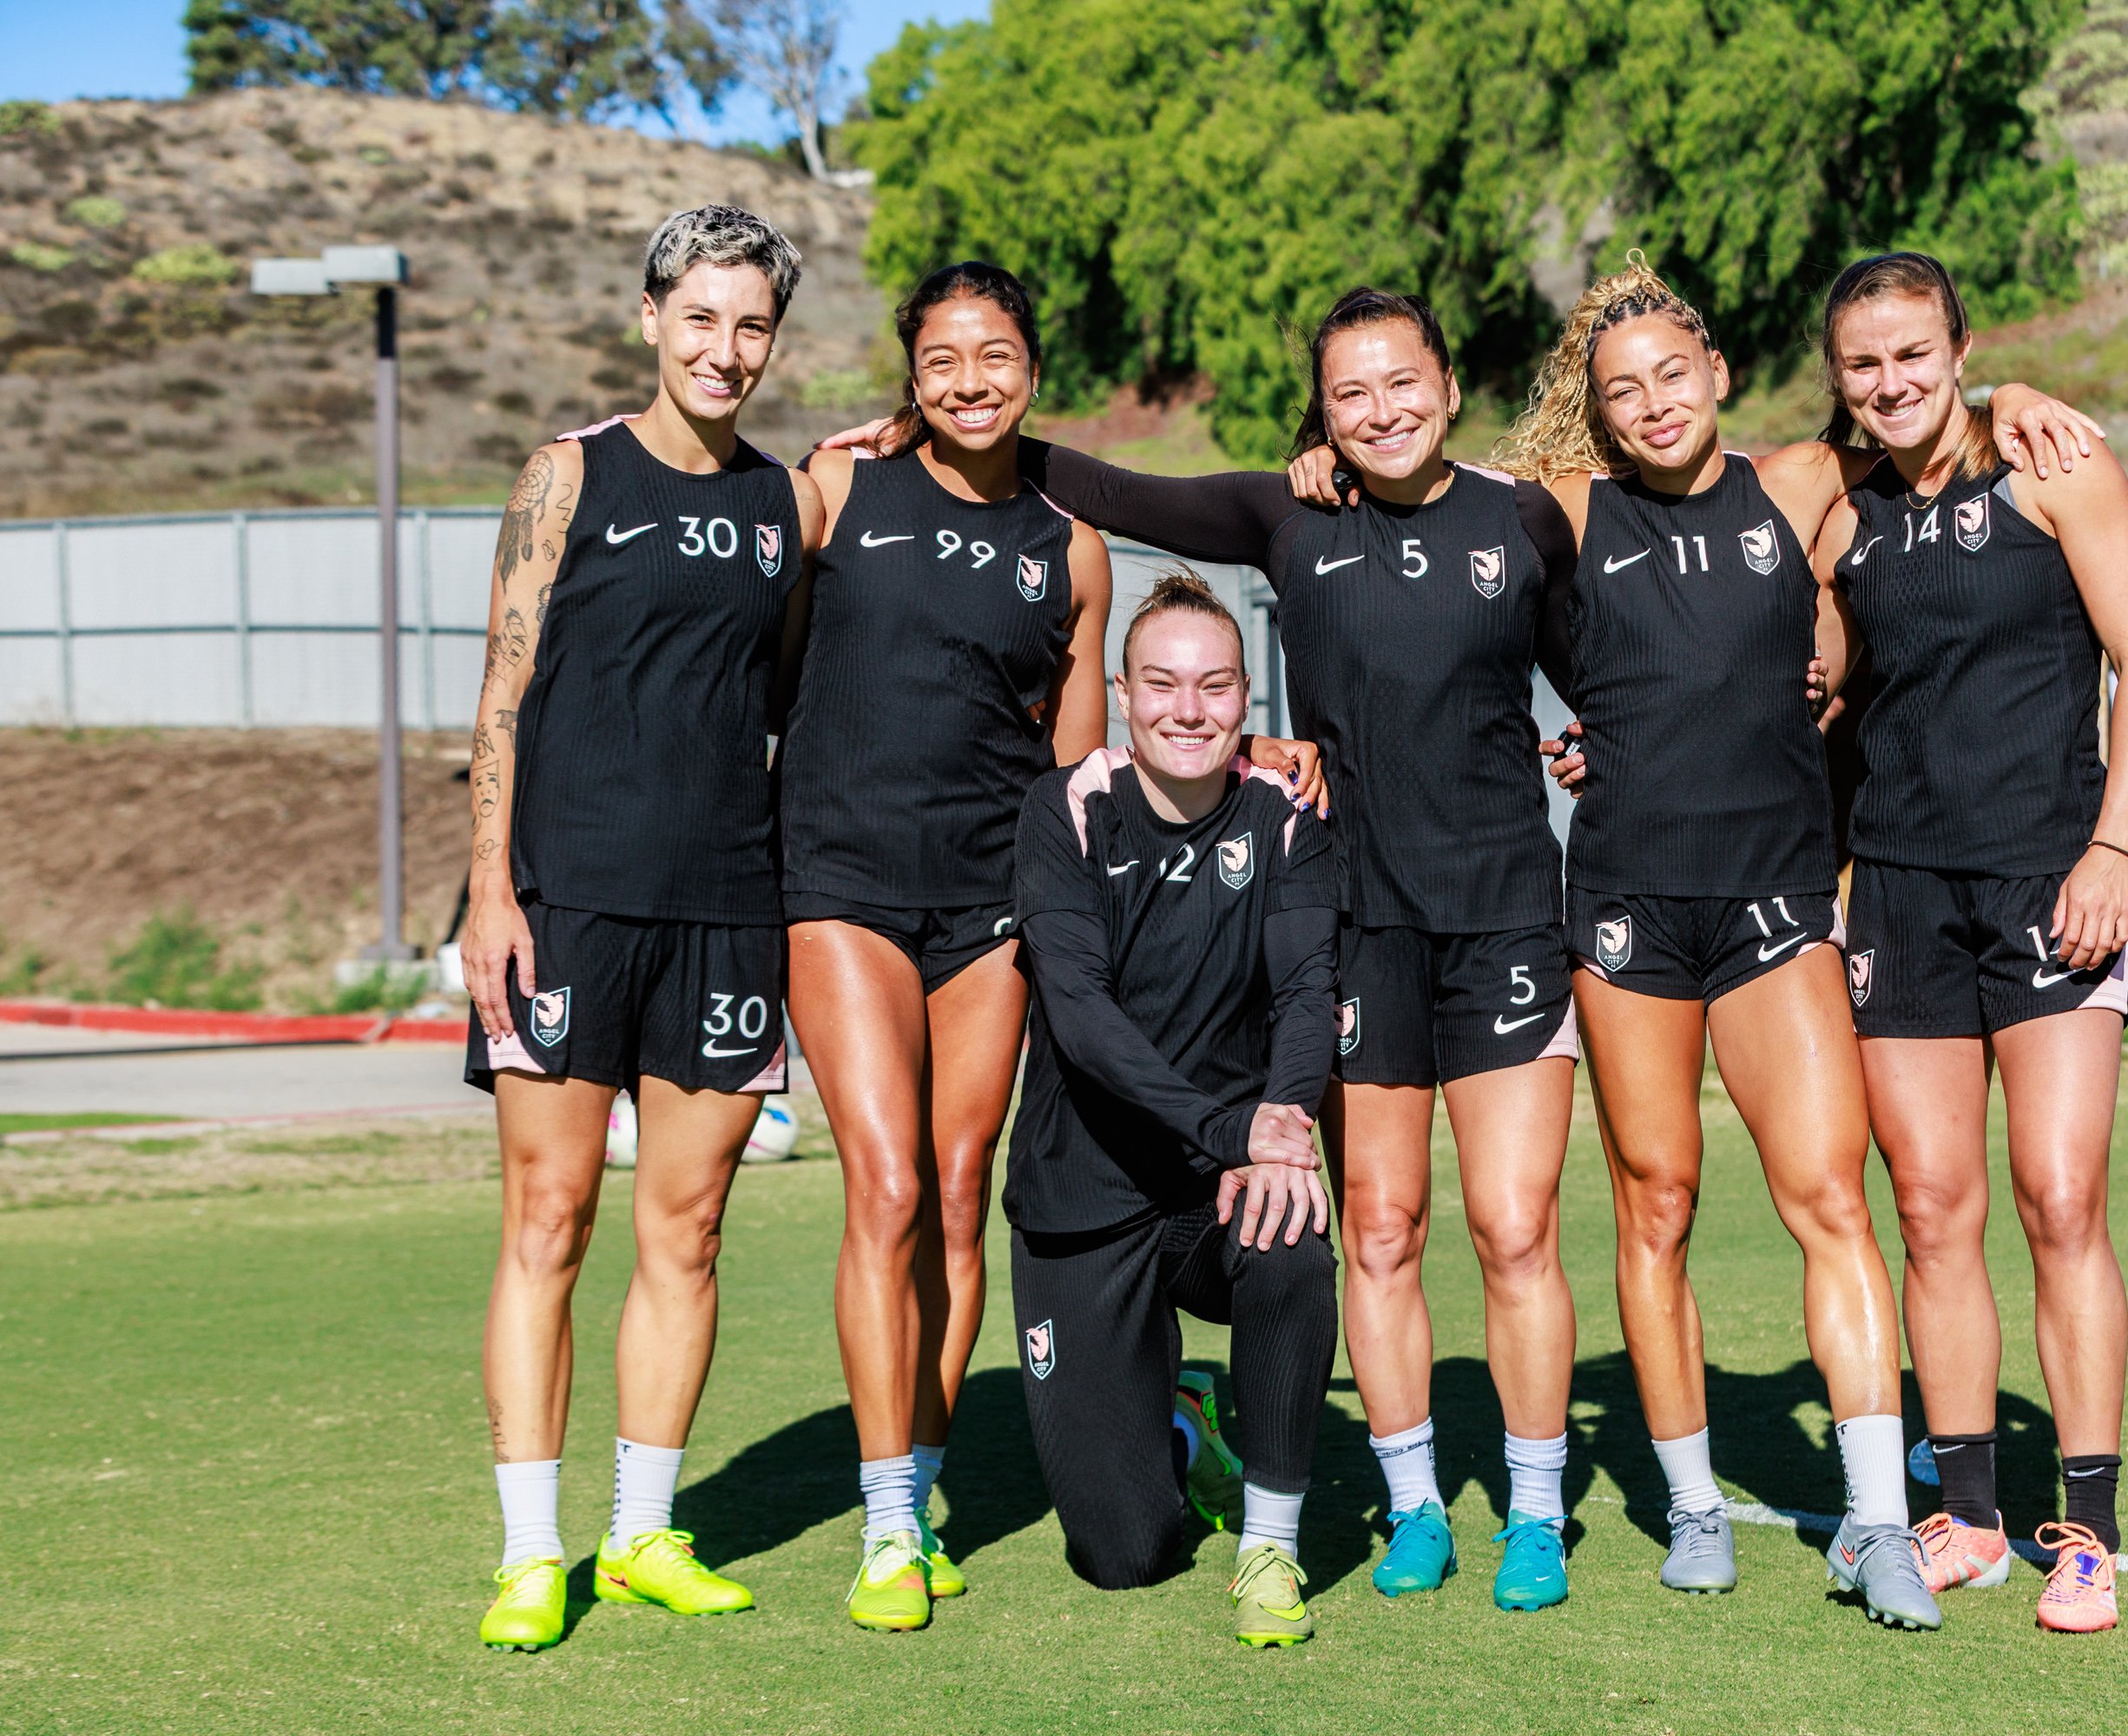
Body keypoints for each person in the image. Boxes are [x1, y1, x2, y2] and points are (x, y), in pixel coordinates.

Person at [1305, 256, 2103, 1629]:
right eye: (1625, 390)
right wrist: (1319, 455)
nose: (1657, 403)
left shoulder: (1804, 482)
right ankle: (1688, 1508)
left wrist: (2014, 390)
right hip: (1621, 916)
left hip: (1778, 907)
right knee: (1655, 1209)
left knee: (1832, 1201)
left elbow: (1924, 414)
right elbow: (1417, 475)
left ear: (1720, 375)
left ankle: (1873, 1523)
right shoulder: (1558, 511)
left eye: (1677, 374)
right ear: (1599, 414)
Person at [827, 288, 1593, 1612]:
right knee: (1382, 1228)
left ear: (1450, 384)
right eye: (1350, 393)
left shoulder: (1524, 513)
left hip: (1508, 918)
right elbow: (1111, 486)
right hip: (1365, 921)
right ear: (1323, 413)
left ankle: (1533, 1514)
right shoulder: (1287, 513)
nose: (1380, 411)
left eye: (1402, 383)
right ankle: (1416, 1507)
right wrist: (935, 427)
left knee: (1517, 1227)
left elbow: (1622, 661)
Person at [458, 206, 822, 1653]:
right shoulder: (570, 475)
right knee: (550, 1219)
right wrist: (490, 886)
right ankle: (530, 1553)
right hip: (566, 903)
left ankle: (644, 1534)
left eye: (750, 327)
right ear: (654, 319)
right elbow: (502, 685)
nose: (723, 350)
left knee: (689, 1225)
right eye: (701, 320)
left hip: (729, 909)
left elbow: (783, 699)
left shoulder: (784, 504)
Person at [1813, 252, 2128, 1634]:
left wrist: (2112, 850)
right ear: (1838, 377)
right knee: (1931, 1211)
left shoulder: (2055, 463)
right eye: (1863, 362)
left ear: (1960, 347)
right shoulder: (1838, 514)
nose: (1891, 381)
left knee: (2062, 1198)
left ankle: (2086, 1530)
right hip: (1896, 898)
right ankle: (1961, 1514)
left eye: (1914, 352)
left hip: (2052, 879)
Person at [778, 262, 1114, 1629]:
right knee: (890, 1186)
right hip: (841, 884)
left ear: (1035, 369)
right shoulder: (840, 492)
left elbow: (1078, 771)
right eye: (942, 359)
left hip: (992, 908)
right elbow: (739, 650)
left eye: (996, 355)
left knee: (964, 1187)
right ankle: (884, 1523)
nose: (970, 379)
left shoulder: (1072, 544)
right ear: (908, 373)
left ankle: (918, 1481)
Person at [1006, 572, 1342, 1647]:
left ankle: (1270, 1544)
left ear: (1248, 695)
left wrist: (1281, 1124)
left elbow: (1305, 990)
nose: (1186, 710)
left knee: (1290, 1236)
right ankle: (1182, 1412)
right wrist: (1229, 1124)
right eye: (1160, 685)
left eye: (1212, 686)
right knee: (1122, 1554)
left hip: (1215, 1188)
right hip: (1084, 1187)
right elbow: (1079, 1011)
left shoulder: (1285, 812)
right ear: (1119, 691)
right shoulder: (1063, 807)